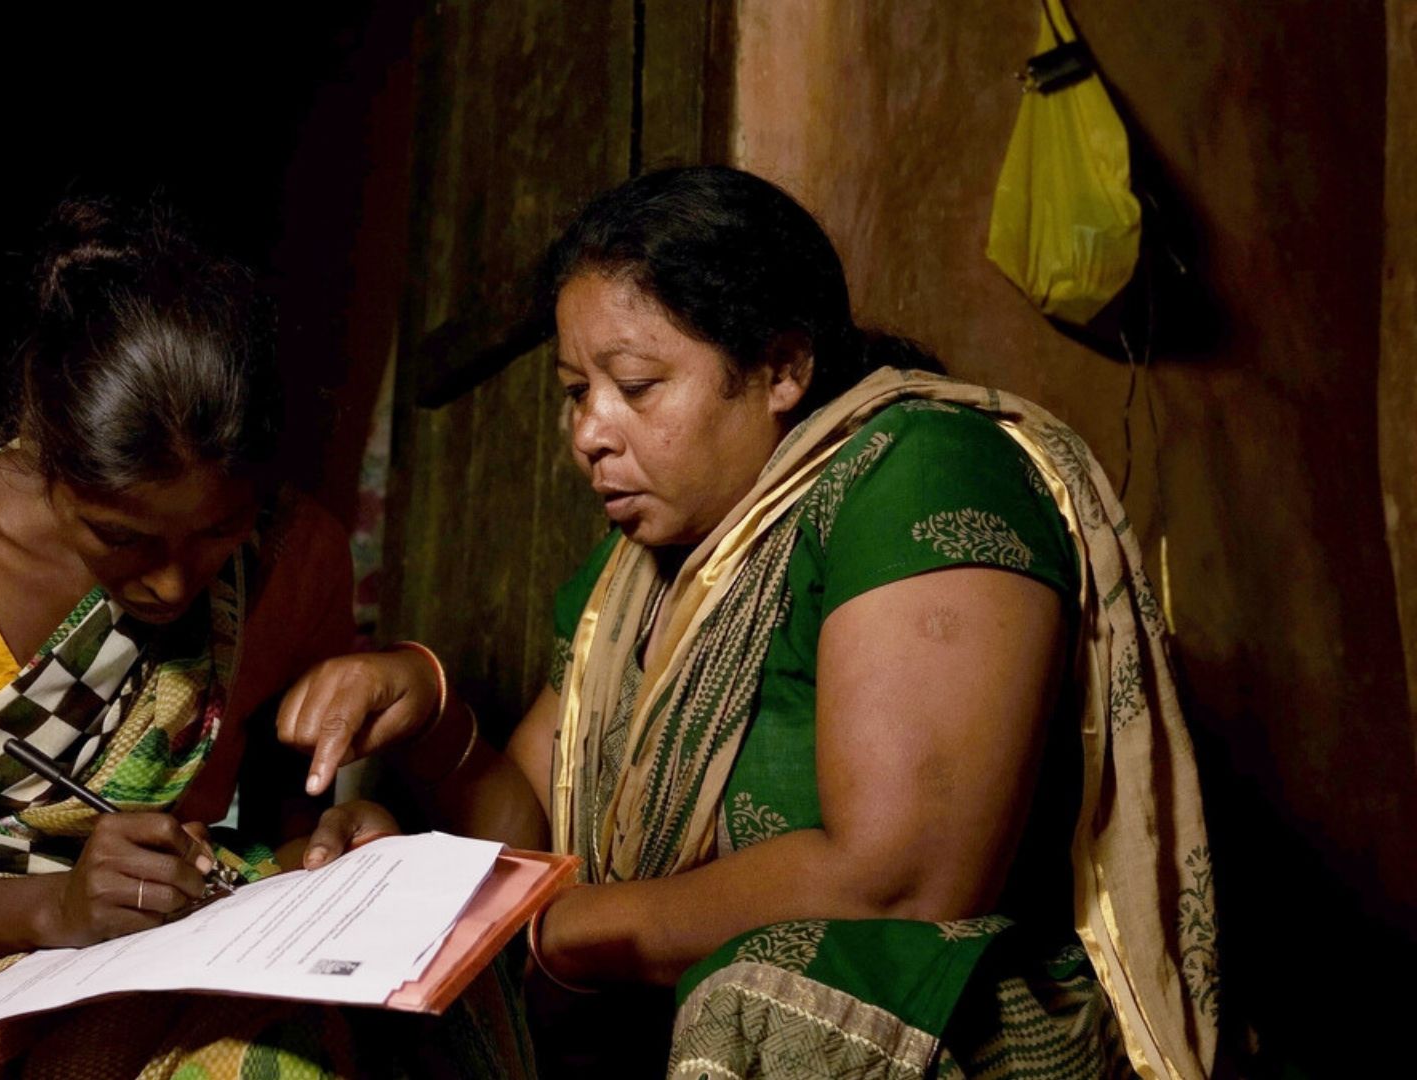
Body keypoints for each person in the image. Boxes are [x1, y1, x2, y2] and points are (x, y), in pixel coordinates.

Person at [279, 166, 1220, 1078]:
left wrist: (561, 934)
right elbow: (534, 839)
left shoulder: (920, 474)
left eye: (637, 386)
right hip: (662, 1017)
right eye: (576, 392)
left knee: (761, 1000)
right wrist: (429, 716)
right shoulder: (639, 572)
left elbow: (898, 884)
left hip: (929, 1023)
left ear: (780, 368)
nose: (589, 433)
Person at [0, 200, 528, 1080]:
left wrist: (334, 852)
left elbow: (285, 836)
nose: (172, 583)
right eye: (119, 536)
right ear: (49, 456)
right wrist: (54, 910)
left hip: (180, 955)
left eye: (216, 533)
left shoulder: (291, 557)